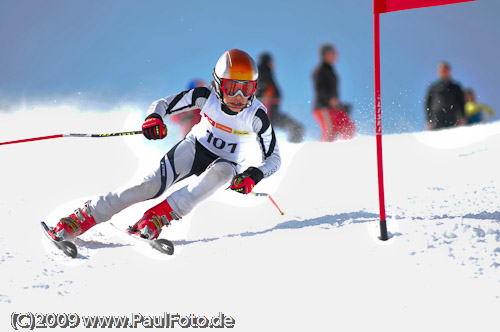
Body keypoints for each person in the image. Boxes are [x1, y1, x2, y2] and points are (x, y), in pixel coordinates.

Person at [47, 49, 281, 241]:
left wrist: (254, 175)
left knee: (216, 177)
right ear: (219, 84)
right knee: (147, 186)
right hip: (194, 148)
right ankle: (84, 217)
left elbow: (274, 158)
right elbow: (163, 104)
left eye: (246, 88)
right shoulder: (204, 95)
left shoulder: (256, 115)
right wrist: (154, 119)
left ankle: (156, 218)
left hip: (228, 163)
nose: (239, 96)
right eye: (232, 87)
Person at [256, 52, 304, 143]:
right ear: (268, 61)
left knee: (296, 128)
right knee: (265, 131)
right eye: (272, 61)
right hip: (268, 107)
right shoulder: (262, 70)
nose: (274, 64)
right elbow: (260, 86)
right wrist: (265, 96)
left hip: (273, 110)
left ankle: (292, 145)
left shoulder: (266, 71)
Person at [312, 43, 355, 142]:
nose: (336, 55)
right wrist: (329, 99)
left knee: (348, 127)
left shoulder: (330, 70)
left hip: (333, 107)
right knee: (330, 132)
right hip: (323, 107)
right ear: (325, 55)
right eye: (333, 53)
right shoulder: (320, 70)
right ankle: (318, 154)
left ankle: (346, 150)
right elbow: (320, 88)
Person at [425, 62, 466, 130]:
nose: (444, 72)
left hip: (452, 117)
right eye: (441, 70)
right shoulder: (433, 87)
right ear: (438, 72)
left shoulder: (456, 87)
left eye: (445, 70)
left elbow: (461, 102)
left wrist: (463, 117)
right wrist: (428, 120)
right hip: (436, 118)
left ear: (449, 71)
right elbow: (427, 104)